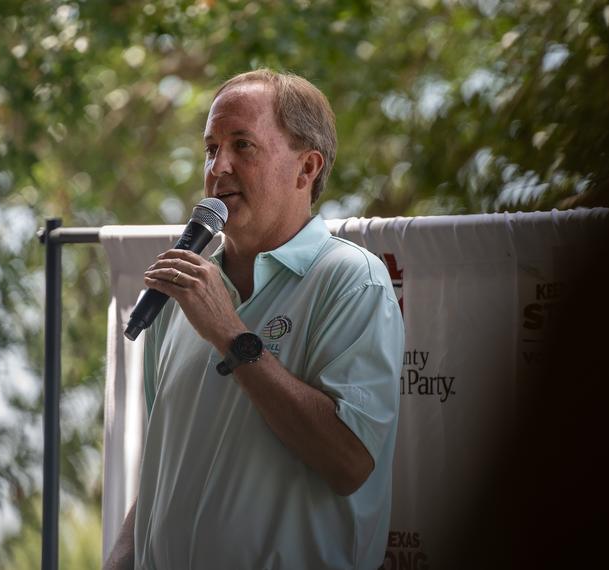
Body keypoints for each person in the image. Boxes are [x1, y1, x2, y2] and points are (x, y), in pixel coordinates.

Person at [104, 69, 404, 570]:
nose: (218, 167)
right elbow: (164, 470)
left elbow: (349, 463)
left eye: (242, 145)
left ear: (306, 169)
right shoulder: (183, 295)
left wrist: (231, 334)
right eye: (210, 148)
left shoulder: (351, 280)